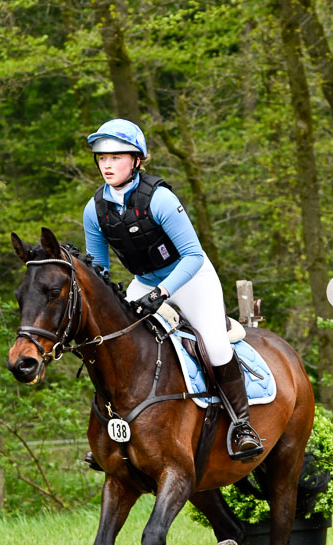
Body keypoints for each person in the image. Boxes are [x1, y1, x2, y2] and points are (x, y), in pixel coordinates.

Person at [83, 118, 263, 462]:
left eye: (116, 157)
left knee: (214, 344)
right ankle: (112, 430)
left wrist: (163, 292)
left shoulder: (161, 199)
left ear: (136, 160)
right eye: (102, 158)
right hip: (146, 283)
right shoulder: (95, 210)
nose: (107, 165)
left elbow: (193, 255)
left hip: (192, 278)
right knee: (113, 345)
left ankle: (242, 426)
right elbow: (98, 269)